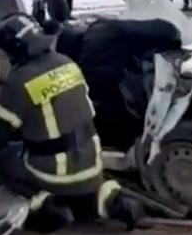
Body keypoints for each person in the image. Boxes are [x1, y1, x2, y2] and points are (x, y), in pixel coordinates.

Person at [0, 13, 143, 233]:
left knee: (3, 158)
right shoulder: (67, 63)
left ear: (15, 49)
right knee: (77, 178)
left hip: (54, 175)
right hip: (92, 167)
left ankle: (42, 203)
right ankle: (110, 201)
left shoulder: (21, 80)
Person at [55, 18, 182, 152]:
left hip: (117, 100)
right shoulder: (99, 27)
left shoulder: (90, 53)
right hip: (167, 33)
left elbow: (95, 87)